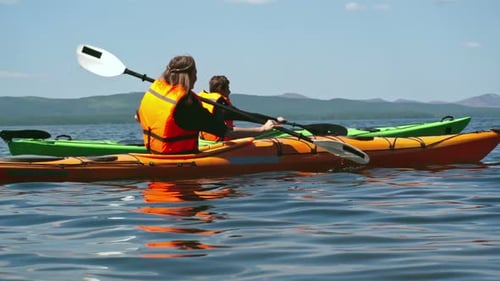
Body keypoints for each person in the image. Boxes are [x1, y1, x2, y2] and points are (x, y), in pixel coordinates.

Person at [136, 55, 279, 154]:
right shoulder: (187, 104)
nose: (197, 78)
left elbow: (138, 117)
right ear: (188, 76)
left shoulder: (156, 92)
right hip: (179, 161)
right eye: (195, 74)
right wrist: (262, 130)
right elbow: (226, 131)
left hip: (153, 156)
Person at [198, 75, 286, 141]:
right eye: (228, 88)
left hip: (207, 141)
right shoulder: (222, 106)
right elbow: (246, 116)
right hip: (221, 142)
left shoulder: (205, 101)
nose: (230, 91)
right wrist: (275, 120)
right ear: (221, 89)